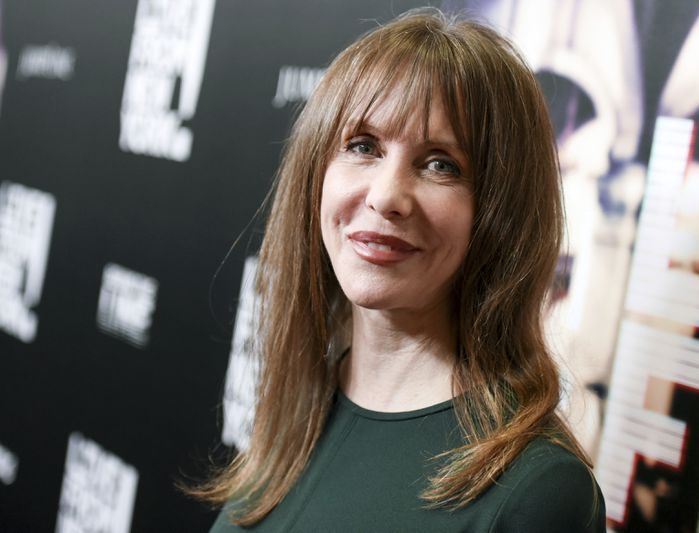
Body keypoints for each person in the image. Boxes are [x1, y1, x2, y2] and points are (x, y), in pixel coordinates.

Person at [199, 8, 605, 532]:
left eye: (440, 164)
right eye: (363, 147)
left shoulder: (537, 491)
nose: (387, 196)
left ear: (501, 213)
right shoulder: (298, 416)